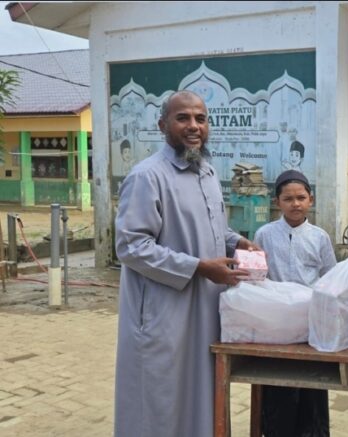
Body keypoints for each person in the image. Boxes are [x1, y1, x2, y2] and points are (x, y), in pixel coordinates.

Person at [114, 90, 259, 437]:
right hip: (165, 313)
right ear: (162, 125)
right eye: (183, 118)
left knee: (203, 395)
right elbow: (131, 246)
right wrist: (198, 267)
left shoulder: (206, 172)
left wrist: (236, 241)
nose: (194, 126)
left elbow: (211, 226)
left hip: (205, 308)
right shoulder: (148, 176)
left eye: (201, 119)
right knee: (160, 400)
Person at [253, 169, 336, 437]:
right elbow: (257, 276)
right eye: (288, 199)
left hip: (310, 324)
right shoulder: (264, 234)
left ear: (311, 199)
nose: (295, 204)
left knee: (312, 385)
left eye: (301, 197)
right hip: (275, 324)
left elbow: (330, 279)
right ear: (277, 202)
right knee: (277, 385)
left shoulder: (320, 237)